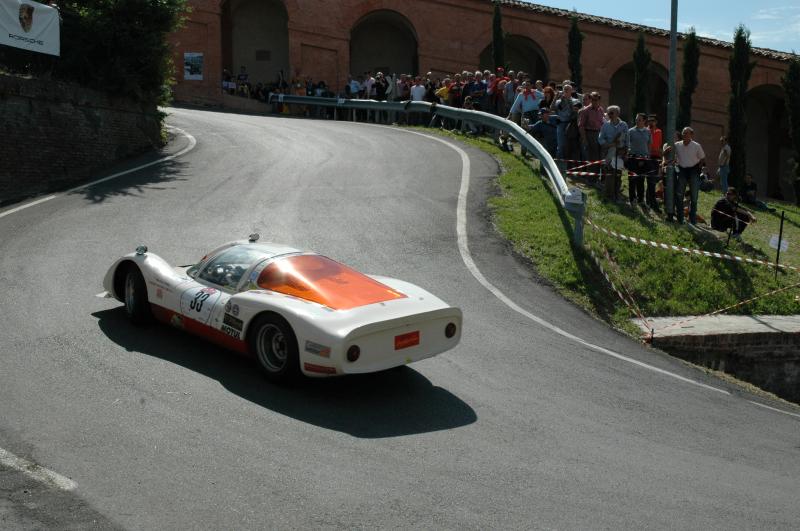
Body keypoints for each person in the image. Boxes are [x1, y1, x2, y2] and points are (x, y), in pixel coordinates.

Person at [673, 126, 706, 224]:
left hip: (693, 170)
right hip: (682, 170)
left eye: (687, 133)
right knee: (679, 194)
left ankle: (692, 219)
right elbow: (669, 153)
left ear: (692, 135)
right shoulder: (677, 145)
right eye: (683, 133)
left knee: (694, 196)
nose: (684, 135)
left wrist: (698, 169)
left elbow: (702, 158)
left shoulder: (697, 146)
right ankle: (680, 218)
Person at [598, 105, 629, 201]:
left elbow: (627, 139)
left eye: (612, 113)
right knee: (609, 173)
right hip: (609, 152)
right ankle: (608, 195)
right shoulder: (605, 125)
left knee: (618, 174)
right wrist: (609, 144)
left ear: (617, 113)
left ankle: (617, 194)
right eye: (608, 113)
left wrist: (626, 151)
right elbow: (600, 139)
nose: (609, 115)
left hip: (620, 153)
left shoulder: (624, 125)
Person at [626, 113, 652, 207]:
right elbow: (627, 144)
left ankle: (641, 200)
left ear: (644, 121)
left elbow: (649, 145)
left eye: (639, 120)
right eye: (636, 119)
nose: (637, 121)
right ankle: (632, 199)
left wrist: (647, 156)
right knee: (632, 179)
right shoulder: (631, 131)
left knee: (641, 180)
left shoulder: (648, 132)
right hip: (633, 158)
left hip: (644, 158)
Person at [578, 91, 604, 166]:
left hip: (599, 134)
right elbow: (581, 126)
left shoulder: (601, 110)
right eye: (592, 99)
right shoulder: (585, 110)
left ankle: (598, 175)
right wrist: (584, 139)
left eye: (596, 99)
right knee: (591, 157)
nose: (594, 101)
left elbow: (602, 122)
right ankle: (591, 176)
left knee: (600, 156)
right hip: (589, 134)